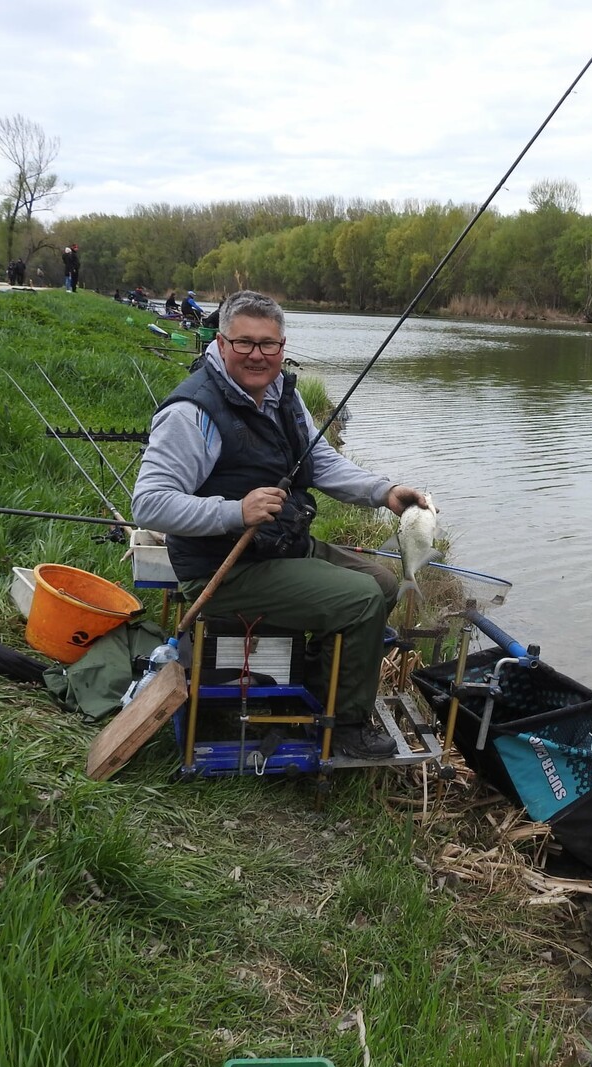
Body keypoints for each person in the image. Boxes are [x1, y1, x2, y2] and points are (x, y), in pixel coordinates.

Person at [132, 290, 429, 759]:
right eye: (245, 343)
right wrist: (235, 511)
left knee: (384, 582)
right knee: (359, 600)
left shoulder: (281, 395)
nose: (257, 355)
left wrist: (384, 493)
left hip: (278, 546)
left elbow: (323, 463)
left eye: (268, 344)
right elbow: (148, 504)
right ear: (221, 344)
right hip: (222, 569)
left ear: (282, 346)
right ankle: (345, 726)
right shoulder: (193, 413)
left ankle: (316, 683)